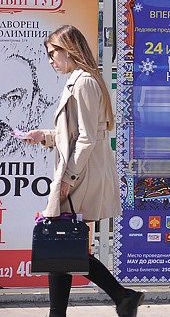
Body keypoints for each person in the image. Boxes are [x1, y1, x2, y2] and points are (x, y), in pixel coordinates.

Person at [20, 25, 144, 317]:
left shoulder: (84, 82)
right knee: (62, 242)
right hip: (80, 171)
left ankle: (119, 296)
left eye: (53, 53)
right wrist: (45, 136)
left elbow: (87, 137)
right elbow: (74, 134)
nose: (51, 60)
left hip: (81, 174)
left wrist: (67, 178)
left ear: (69, 49)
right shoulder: (78, 80)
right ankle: (119, 297)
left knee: (60, 239)